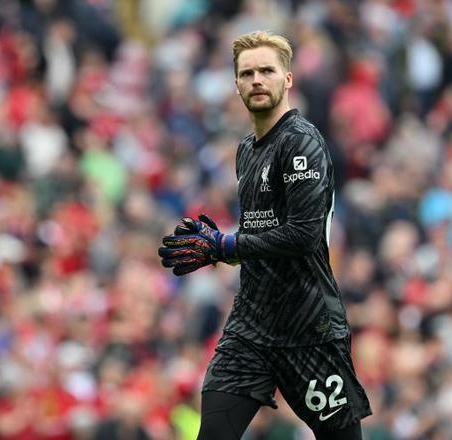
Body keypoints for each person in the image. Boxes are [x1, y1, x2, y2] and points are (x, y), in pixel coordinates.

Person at [158, 30, 371, 440]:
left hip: (308, 328)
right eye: (247, 73)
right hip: (251, 327)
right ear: (236, 84)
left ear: (287, 79)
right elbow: (263, 230)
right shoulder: (246, 150)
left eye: (267, 71)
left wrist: (226, 245)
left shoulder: (302, 143)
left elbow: (303, 235)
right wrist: (222, 242)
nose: (257, 80)